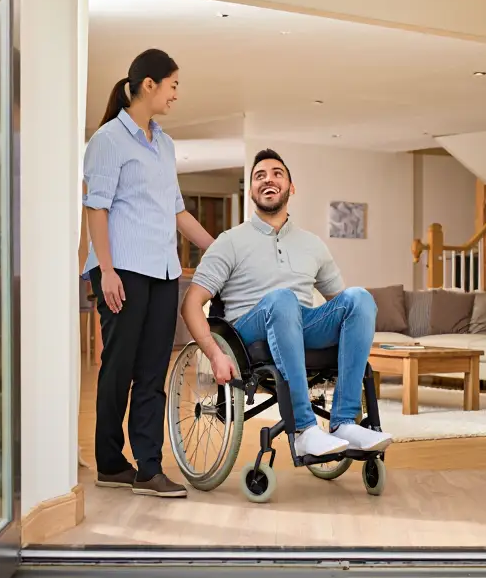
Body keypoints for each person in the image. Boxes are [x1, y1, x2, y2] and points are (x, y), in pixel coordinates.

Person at [182, 149, 392, 458]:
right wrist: (214, 355)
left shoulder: (312, 244)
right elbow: (191, 303)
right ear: (252, 190)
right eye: (259, 176)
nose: (268, 179)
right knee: (283, 299)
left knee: (359, 298)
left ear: (291, 188)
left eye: (277, 174)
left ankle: (344, 422)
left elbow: (344, 308)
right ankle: (305, 429)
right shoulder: (230, 240)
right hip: (250, 333)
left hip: (302, 325)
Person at [82, 49, 214, 497]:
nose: (177, 93)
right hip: (121, 271)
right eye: (173, 84)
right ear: (149, 85)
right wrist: (107, 270)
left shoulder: (166, 143)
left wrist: (219, 249)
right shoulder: (108, 139)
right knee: (118, 368)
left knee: (153, 370)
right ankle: (109, 462)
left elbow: (176, 210)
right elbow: (96, 208)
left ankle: (148, 467)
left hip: (162, 273)